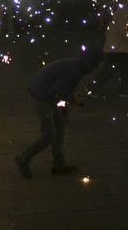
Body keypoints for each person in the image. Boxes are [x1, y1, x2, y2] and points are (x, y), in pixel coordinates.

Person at [14, 46, 105, 179]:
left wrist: (64, 110)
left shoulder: (77, 66)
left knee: (59, 127)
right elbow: (55, 92)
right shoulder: (74, 71)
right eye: (98, 63)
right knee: (49, 135)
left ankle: (59, 164)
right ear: (92, 62)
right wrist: (72, 99)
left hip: (47, 96)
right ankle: (23, 158)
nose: (98, 66)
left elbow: (62, 91)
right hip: (41, 98)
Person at [85, 0, 128, 98]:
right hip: (117, 47)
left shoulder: (124, 11)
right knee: (111, 69)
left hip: (120, 46)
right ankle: (91, 88)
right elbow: (124, 32)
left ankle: (125, 91)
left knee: (126, 69)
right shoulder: (124, 12)